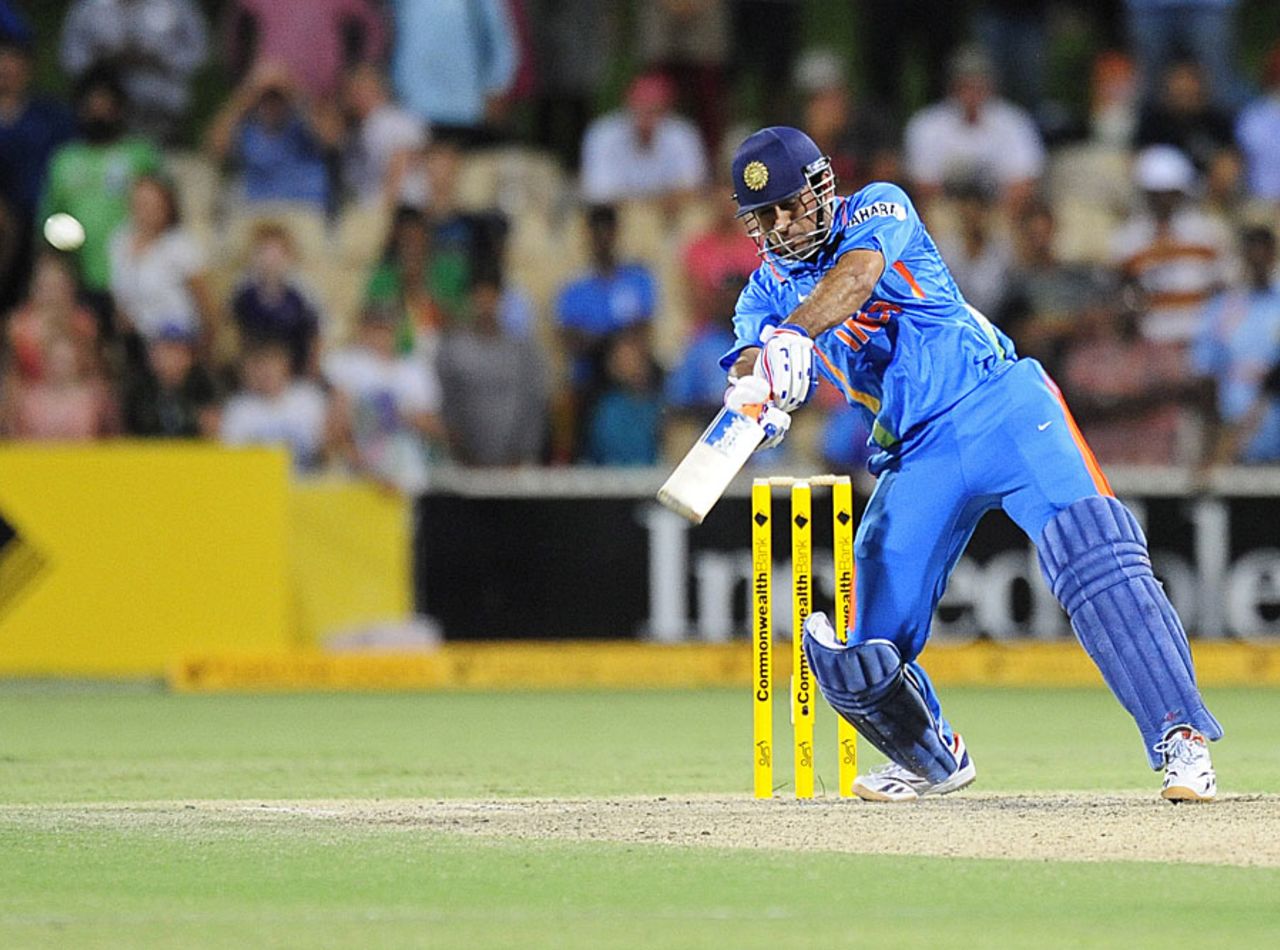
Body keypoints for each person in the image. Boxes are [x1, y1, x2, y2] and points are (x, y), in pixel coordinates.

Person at [718, 125, 1222, 802]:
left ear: (821, 188)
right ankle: (932, 758)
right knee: (864, 656)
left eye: (793, 204)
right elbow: (752, 354)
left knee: (1096, 554)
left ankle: (1181, 741)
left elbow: (858, 277)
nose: (784, 225)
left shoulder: (877, 207)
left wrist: (793, 337)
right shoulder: (762, 294)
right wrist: (756, 390)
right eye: (766, 216)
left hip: (1001, 402)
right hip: (915, 451)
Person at [60, 0, 209, 142]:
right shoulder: (87, 6)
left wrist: (159, 59)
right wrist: (106, 59)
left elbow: (200, 53)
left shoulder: (179, 4)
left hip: (163, 115)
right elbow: (70, 58)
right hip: (107, 121)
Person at [579, 72, 708, 206]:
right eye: (640, 108)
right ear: (628, 106)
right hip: (621, 216)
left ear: (666, 109)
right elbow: (599, 192)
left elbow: (693, 187)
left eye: (654, 110)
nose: (646, 116)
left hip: (669, 214)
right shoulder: (602, 133)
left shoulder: (682, 134)